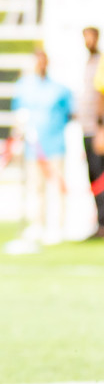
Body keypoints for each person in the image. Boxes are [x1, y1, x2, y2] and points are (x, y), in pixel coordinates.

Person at [13, 49, 73, 245]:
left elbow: (69, 113)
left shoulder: (60, 89)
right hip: (32, 147)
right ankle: (37, 225)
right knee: (35, 187)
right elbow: (18, 114)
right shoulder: (23, 87)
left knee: (56, 187)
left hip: (54, 145)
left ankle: (57, 227)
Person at [81, 27, 104, 234]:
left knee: (100, 176)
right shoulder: (88, 63)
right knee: (94, 176)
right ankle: (100, 222)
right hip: (88, 128)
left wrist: (100, 129)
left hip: (97, 130)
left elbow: (101, 96)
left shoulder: (100, 62)